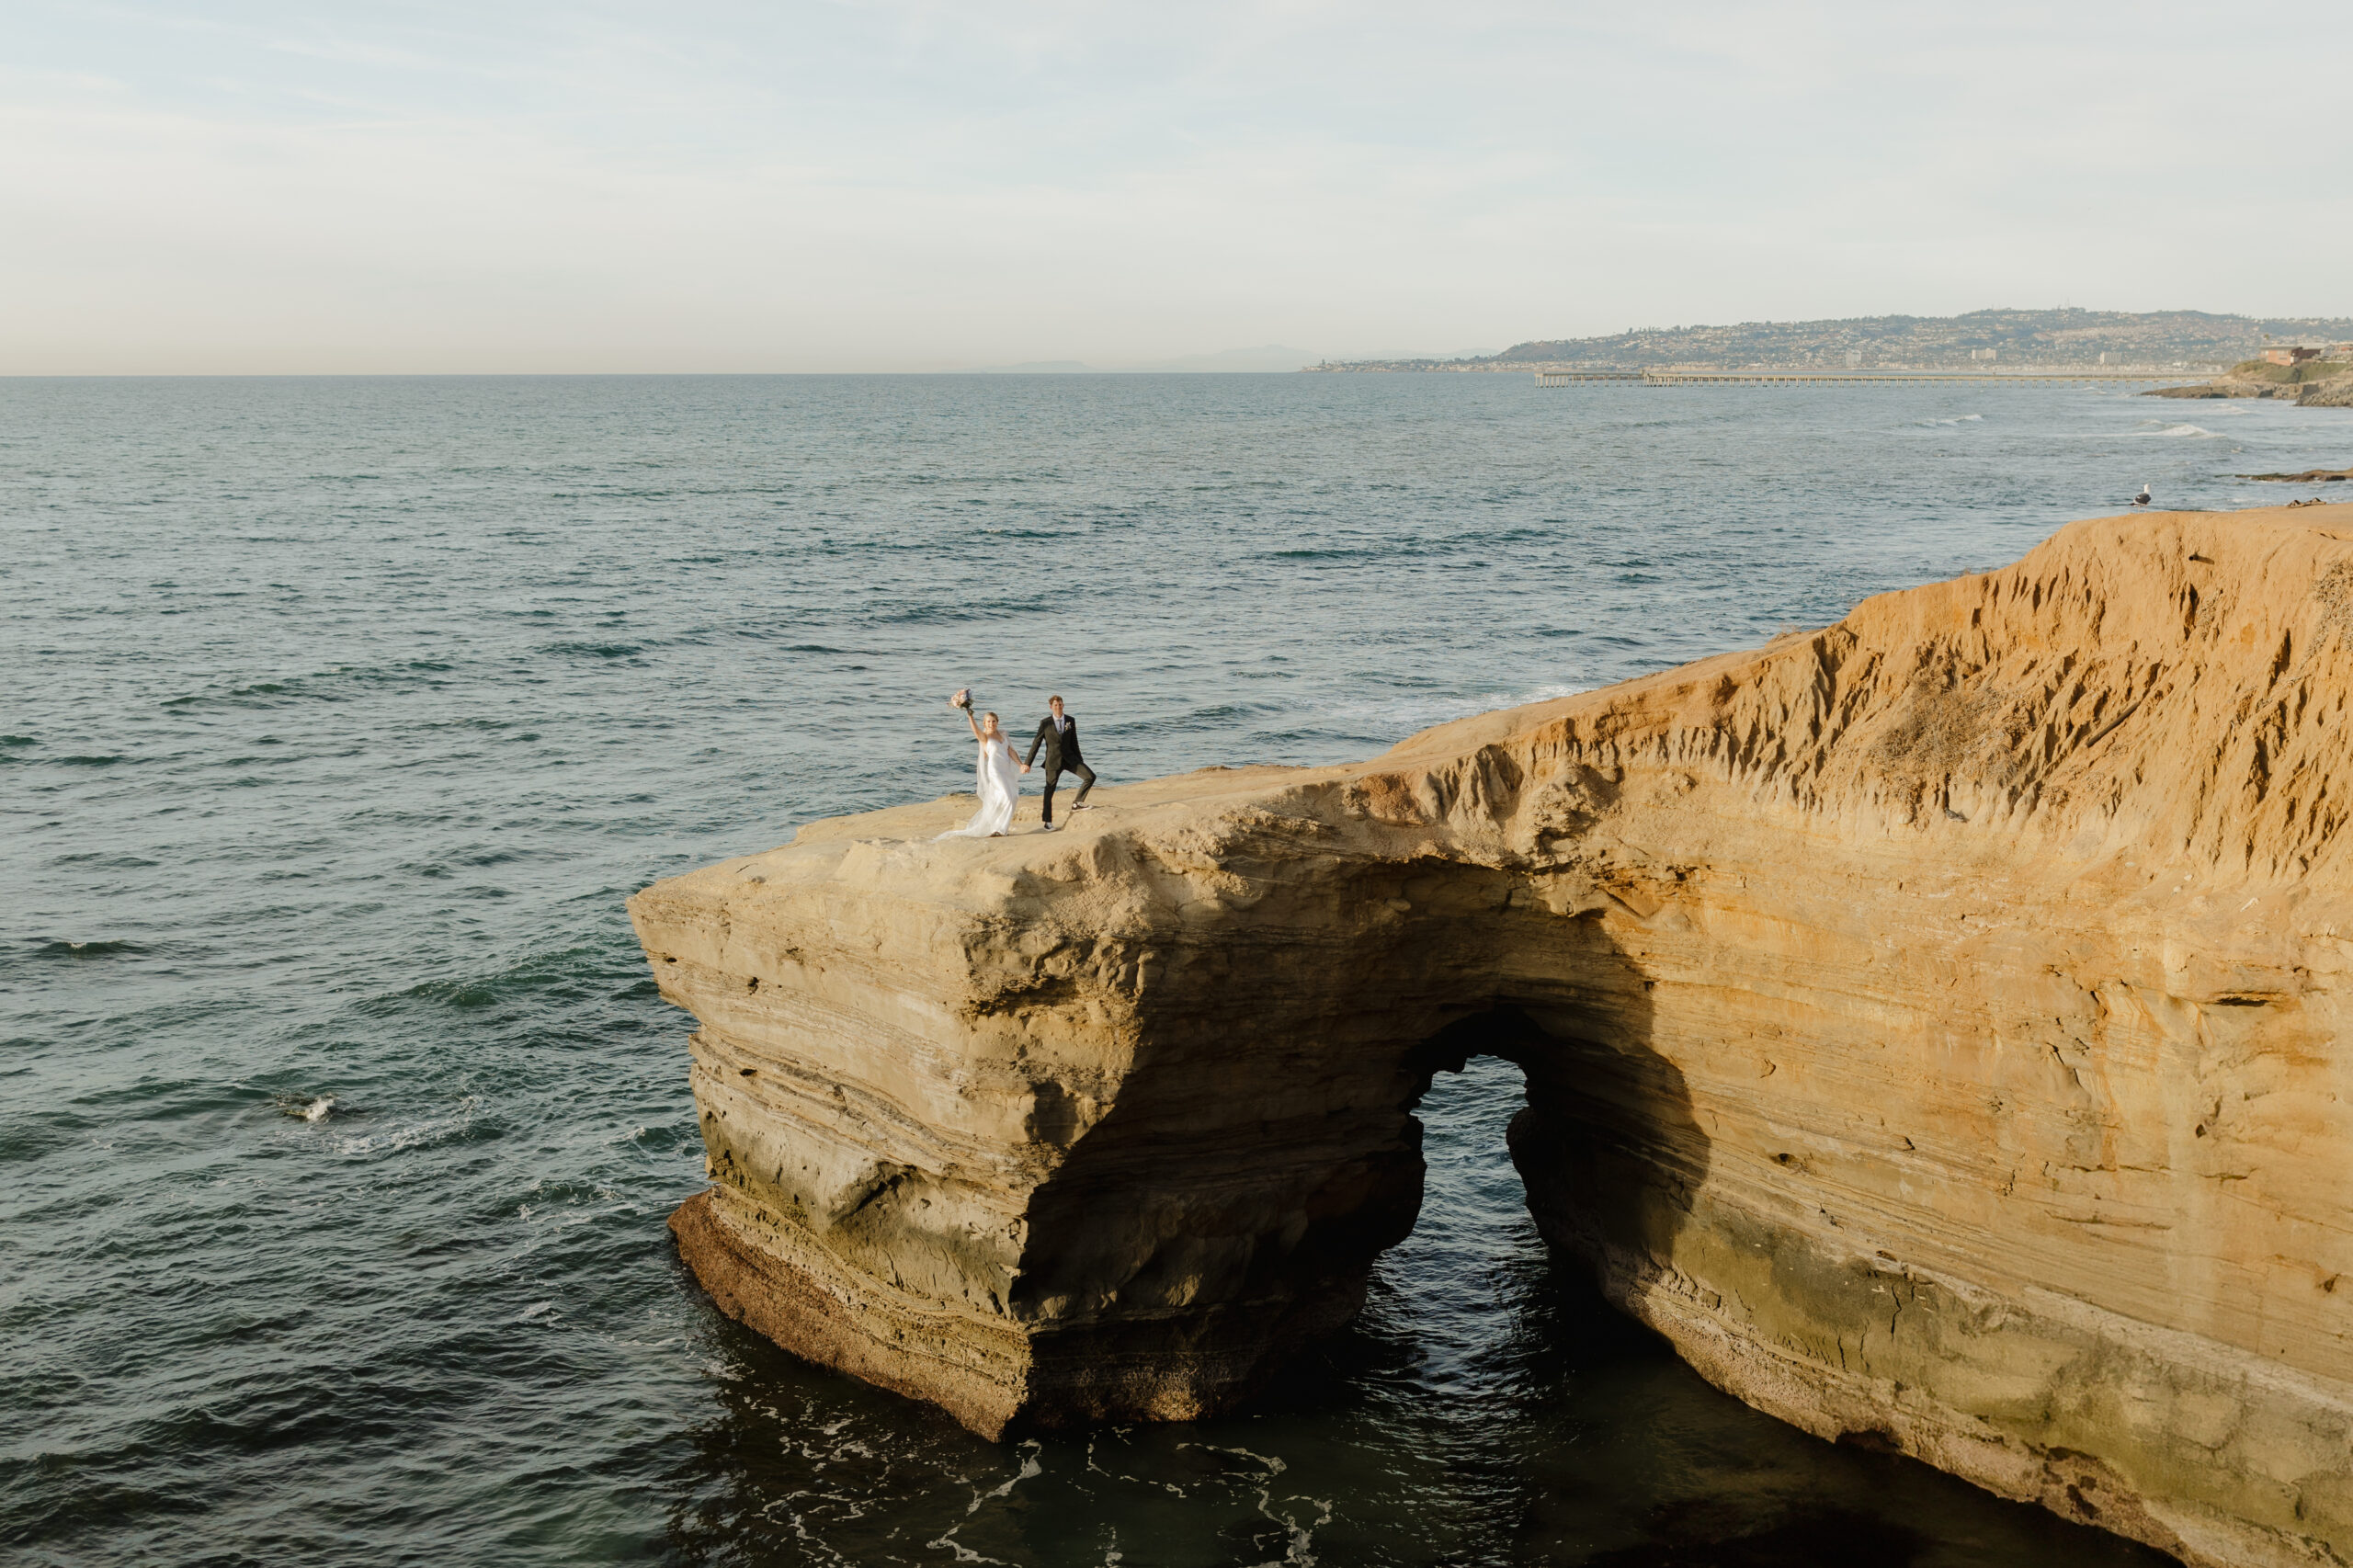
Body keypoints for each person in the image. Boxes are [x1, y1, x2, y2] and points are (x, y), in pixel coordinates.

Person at [936, 688, 1027, 839]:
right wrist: (969, 714)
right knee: (1007, 796)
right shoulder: (984, 737)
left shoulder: (1003, 734)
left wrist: (1020, 764)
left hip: (1006, 769)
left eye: (994, 721)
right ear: (984, 723)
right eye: (988, 722)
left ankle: (998, 826)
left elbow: (1011, 750)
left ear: (997, 722)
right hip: (995, 770)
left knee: (1013, 797)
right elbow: (975, 730)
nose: (991, 724)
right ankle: (999, 829)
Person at [1025, 694, 1097, 831]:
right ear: (1051, 707)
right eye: (1055, 705)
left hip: (1070, 759)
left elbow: (1074, 742)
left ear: (1063, 705)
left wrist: (1080, 760)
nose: (1058, 707)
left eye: (1060, 705)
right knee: (1049, 790)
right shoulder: (1045, 723)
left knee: (1090, 776)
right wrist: (1028, 763)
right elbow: (1036, 743)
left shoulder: (1070, 720)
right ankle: (1047, 822)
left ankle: (1077, 803)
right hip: (1053, 761)